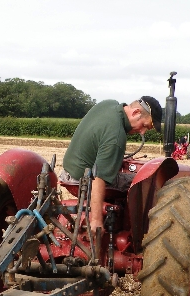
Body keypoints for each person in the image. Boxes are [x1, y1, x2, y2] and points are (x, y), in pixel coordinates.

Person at [62, 96, 162, 235]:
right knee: (141, 183)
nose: (143, 132)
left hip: (68, 171)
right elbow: (98, 177)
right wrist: (96, 220)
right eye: (145, 125)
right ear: (135, 113)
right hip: (83, 180)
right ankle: (133, 232)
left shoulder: (109, 104)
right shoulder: (117, 137)